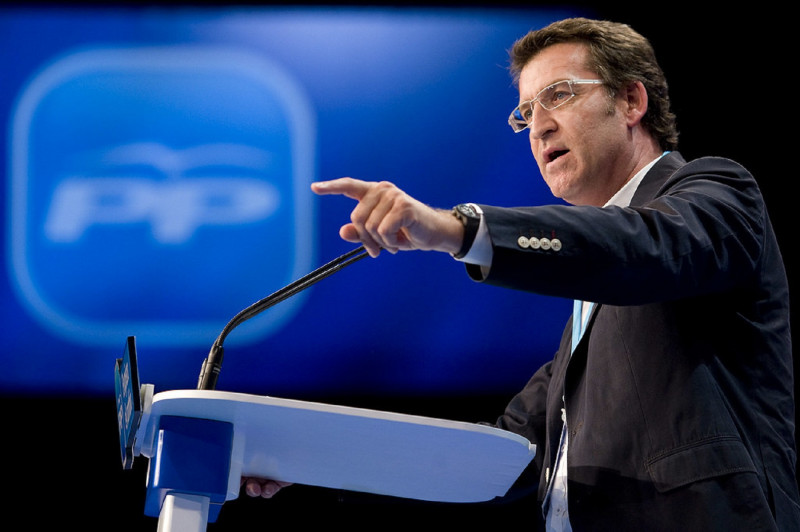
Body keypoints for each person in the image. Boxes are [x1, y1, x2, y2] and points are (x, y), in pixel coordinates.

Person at [244, 17, 799, 530]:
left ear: (630, 100)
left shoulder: (719, 194)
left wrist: (457, 229)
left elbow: (643, 249)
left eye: (558, 96)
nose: (538, 127)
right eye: (525, 113)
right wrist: (314, 458)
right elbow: (495, 458)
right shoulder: (585, 329)